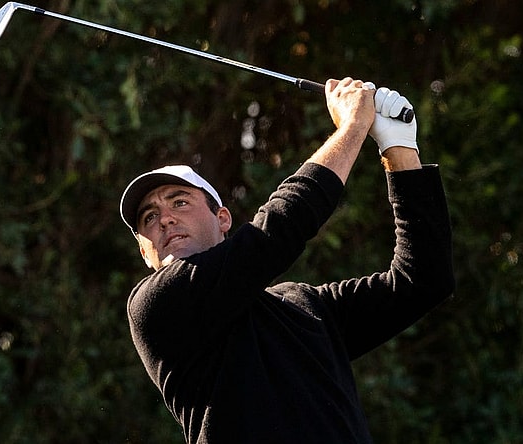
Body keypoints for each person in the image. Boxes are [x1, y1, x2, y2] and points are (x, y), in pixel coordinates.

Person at [118, 78, 455, 444]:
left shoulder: (306, 307)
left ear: (223, 218)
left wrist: (399, 148)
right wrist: (353, 126)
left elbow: (422, 280)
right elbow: (277, 231)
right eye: (149, 217)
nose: (165, 219)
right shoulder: (155, 306)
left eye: (180, 202)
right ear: (145, 253)